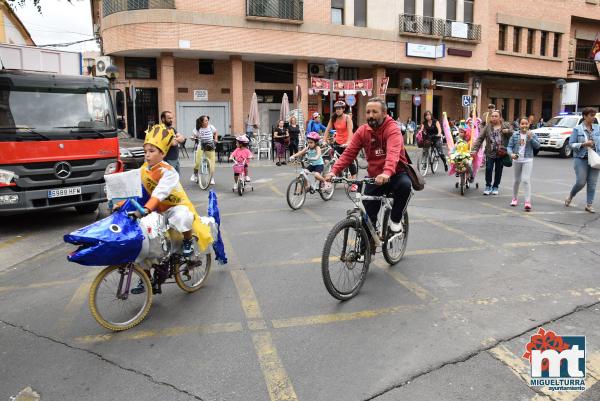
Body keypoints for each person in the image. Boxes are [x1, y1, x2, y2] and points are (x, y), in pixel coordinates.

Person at [117, 124, 212, 294]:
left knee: (182, 217)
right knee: (143, 241)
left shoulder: (169, 172)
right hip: (155, 210)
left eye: (152, 151)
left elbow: (160, 193)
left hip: (173, 207)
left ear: (162, 153)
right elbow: (132, 187)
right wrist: (119, 202)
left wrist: (145, 210)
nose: (147, 155)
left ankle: (188, 241)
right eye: (146, 151)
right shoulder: (143, 170)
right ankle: (145, 278)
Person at [325, 97, 412, 239]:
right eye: (368, 112)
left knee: (405, 185)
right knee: (366, 220)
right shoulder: (362, 131)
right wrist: (334, 171)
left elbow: (393, 153)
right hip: (374, 177)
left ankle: (395, 220)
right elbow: (349, 153)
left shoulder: (393, 129)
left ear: (384, 113)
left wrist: (387, 172)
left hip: (395, 173)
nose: (370, 115)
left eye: (374, 112)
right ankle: (367, 245)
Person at [565, 107, 600, 213]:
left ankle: (589, 205)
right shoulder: (577, 129)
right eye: (591, 115)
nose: (593, 117)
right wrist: (584, 144)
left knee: (592, 183)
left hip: (595, 158)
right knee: (580, 182)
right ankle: (571, 195)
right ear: (585, 116)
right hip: (581, 158)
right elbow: (571, 144)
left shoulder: (598, 128)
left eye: (594, 115)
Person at [471, 110, 513, 195]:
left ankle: (495, 186)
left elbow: (513, 132)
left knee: (498, 170)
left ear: (500, 117)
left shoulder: (505, 125)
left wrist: (507, 131)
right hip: (490, 152)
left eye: (496, 116)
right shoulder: (487, 127)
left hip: (501, 153)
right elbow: (480, 138)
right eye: (492, 116)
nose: (493, 118)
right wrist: (474, 149)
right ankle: (488, 186)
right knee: (489, 169)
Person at [507, 117, 540, 211]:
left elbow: (538, 146)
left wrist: (530, 138)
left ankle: (527, 202)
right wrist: (511, 154)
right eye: (522, 124)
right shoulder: (515, 135)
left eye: (526, 124)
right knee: (517, 180)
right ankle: (514, 198)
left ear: (528, 125)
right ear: (519, 125)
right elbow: (509, 147)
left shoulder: (532, 134)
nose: (524, 125)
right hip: (517, 159)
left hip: (528, 159)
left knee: (525, 180)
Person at [325, 100, 357, 189]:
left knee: (349, 161)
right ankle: (336, 175)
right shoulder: (333, 118)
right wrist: (324, 141)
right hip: (338, 141)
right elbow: (327, 130)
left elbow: (350, 132)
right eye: (336, 109)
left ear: (343, 109)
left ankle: (354, 183)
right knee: (335, 159)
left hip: (348, 141)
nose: (338, 110)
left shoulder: (347, 118)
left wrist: (348, 143)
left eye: (340, 108)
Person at [191, 115, 218, 185]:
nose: (207, 122)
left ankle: (211, 178)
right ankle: (194, 174)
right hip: (201, 145)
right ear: (202, 122)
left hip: (210, 145)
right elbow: (194, 136)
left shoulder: (211, 127)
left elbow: (215, 132)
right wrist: (193, 138)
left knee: (212, 163)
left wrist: (215, 139)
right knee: (198, 162)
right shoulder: (198, 128)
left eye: (207, 120)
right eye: (205, 120)